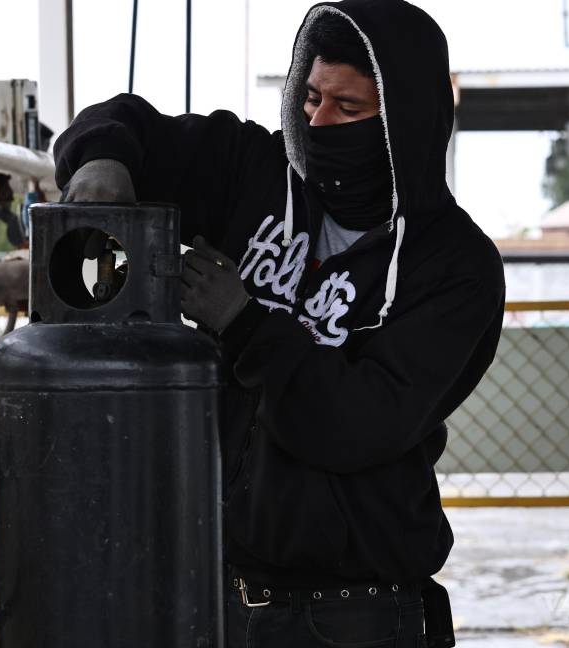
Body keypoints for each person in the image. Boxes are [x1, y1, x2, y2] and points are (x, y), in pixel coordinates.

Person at [54, 1, 505, 645]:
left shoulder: (456, 268)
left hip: (356, 612)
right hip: (218, 588)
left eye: (348, 109)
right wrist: (101, 165)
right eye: (311, 98)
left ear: (406, 122)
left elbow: (360, 425)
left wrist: (243, 324)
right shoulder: (253, 171)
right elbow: (127, 122)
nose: (319, 122)